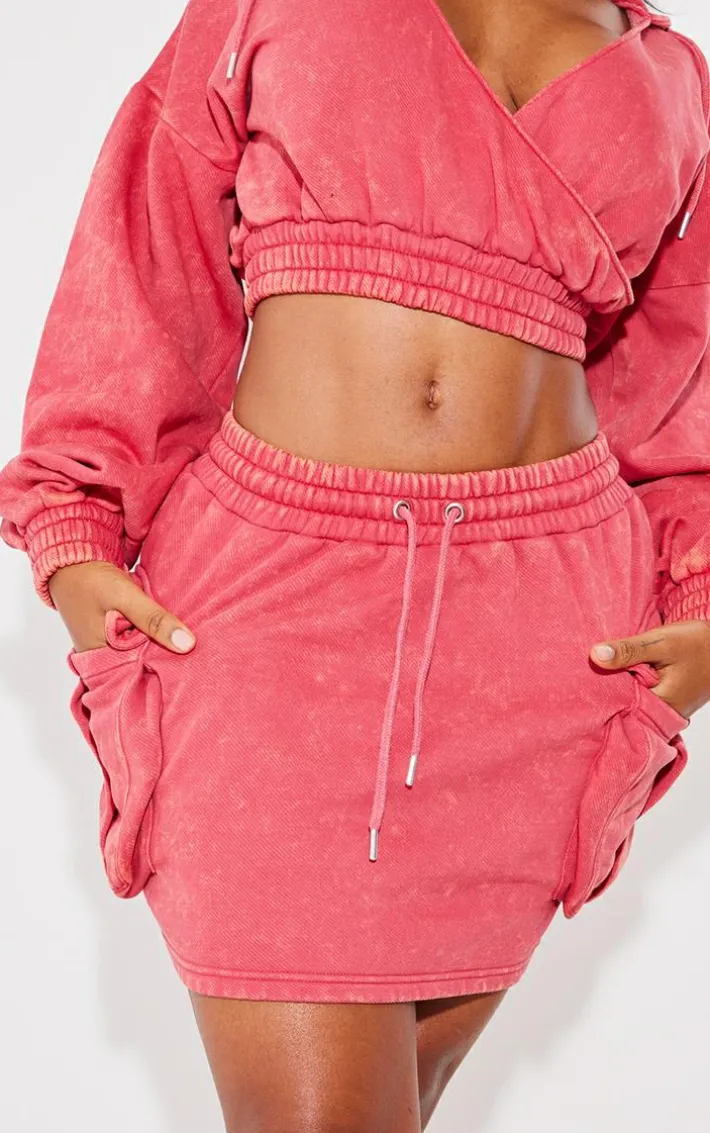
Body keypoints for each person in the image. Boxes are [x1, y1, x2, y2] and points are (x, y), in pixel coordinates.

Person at [1, 0, 709, 1127]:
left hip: (544, 645)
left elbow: (678, 390)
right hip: (272, 615)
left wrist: (701, 601)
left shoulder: (667, 71)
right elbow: (145, 244)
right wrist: (75, 530)